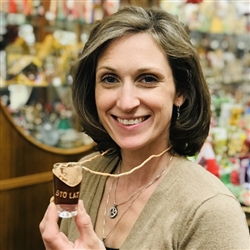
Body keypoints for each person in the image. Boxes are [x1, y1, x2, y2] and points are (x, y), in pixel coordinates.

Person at [39, 6, 249, 250]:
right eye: (110, 79)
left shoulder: (211, 211)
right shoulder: (82, 177)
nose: (126, 102)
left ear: (181, 91)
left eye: (147, 79)